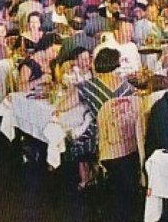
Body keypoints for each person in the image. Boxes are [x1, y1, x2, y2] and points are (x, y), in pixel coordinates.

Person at [56, 48, 136, 189]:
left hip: (101, 139)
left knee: (72, 142)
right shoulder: (127, 86)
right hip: (126, 139)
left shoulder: (88, 86)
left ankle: (85, 179)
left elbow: (62, 106)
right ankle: (94, 173)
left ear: (96, 64)